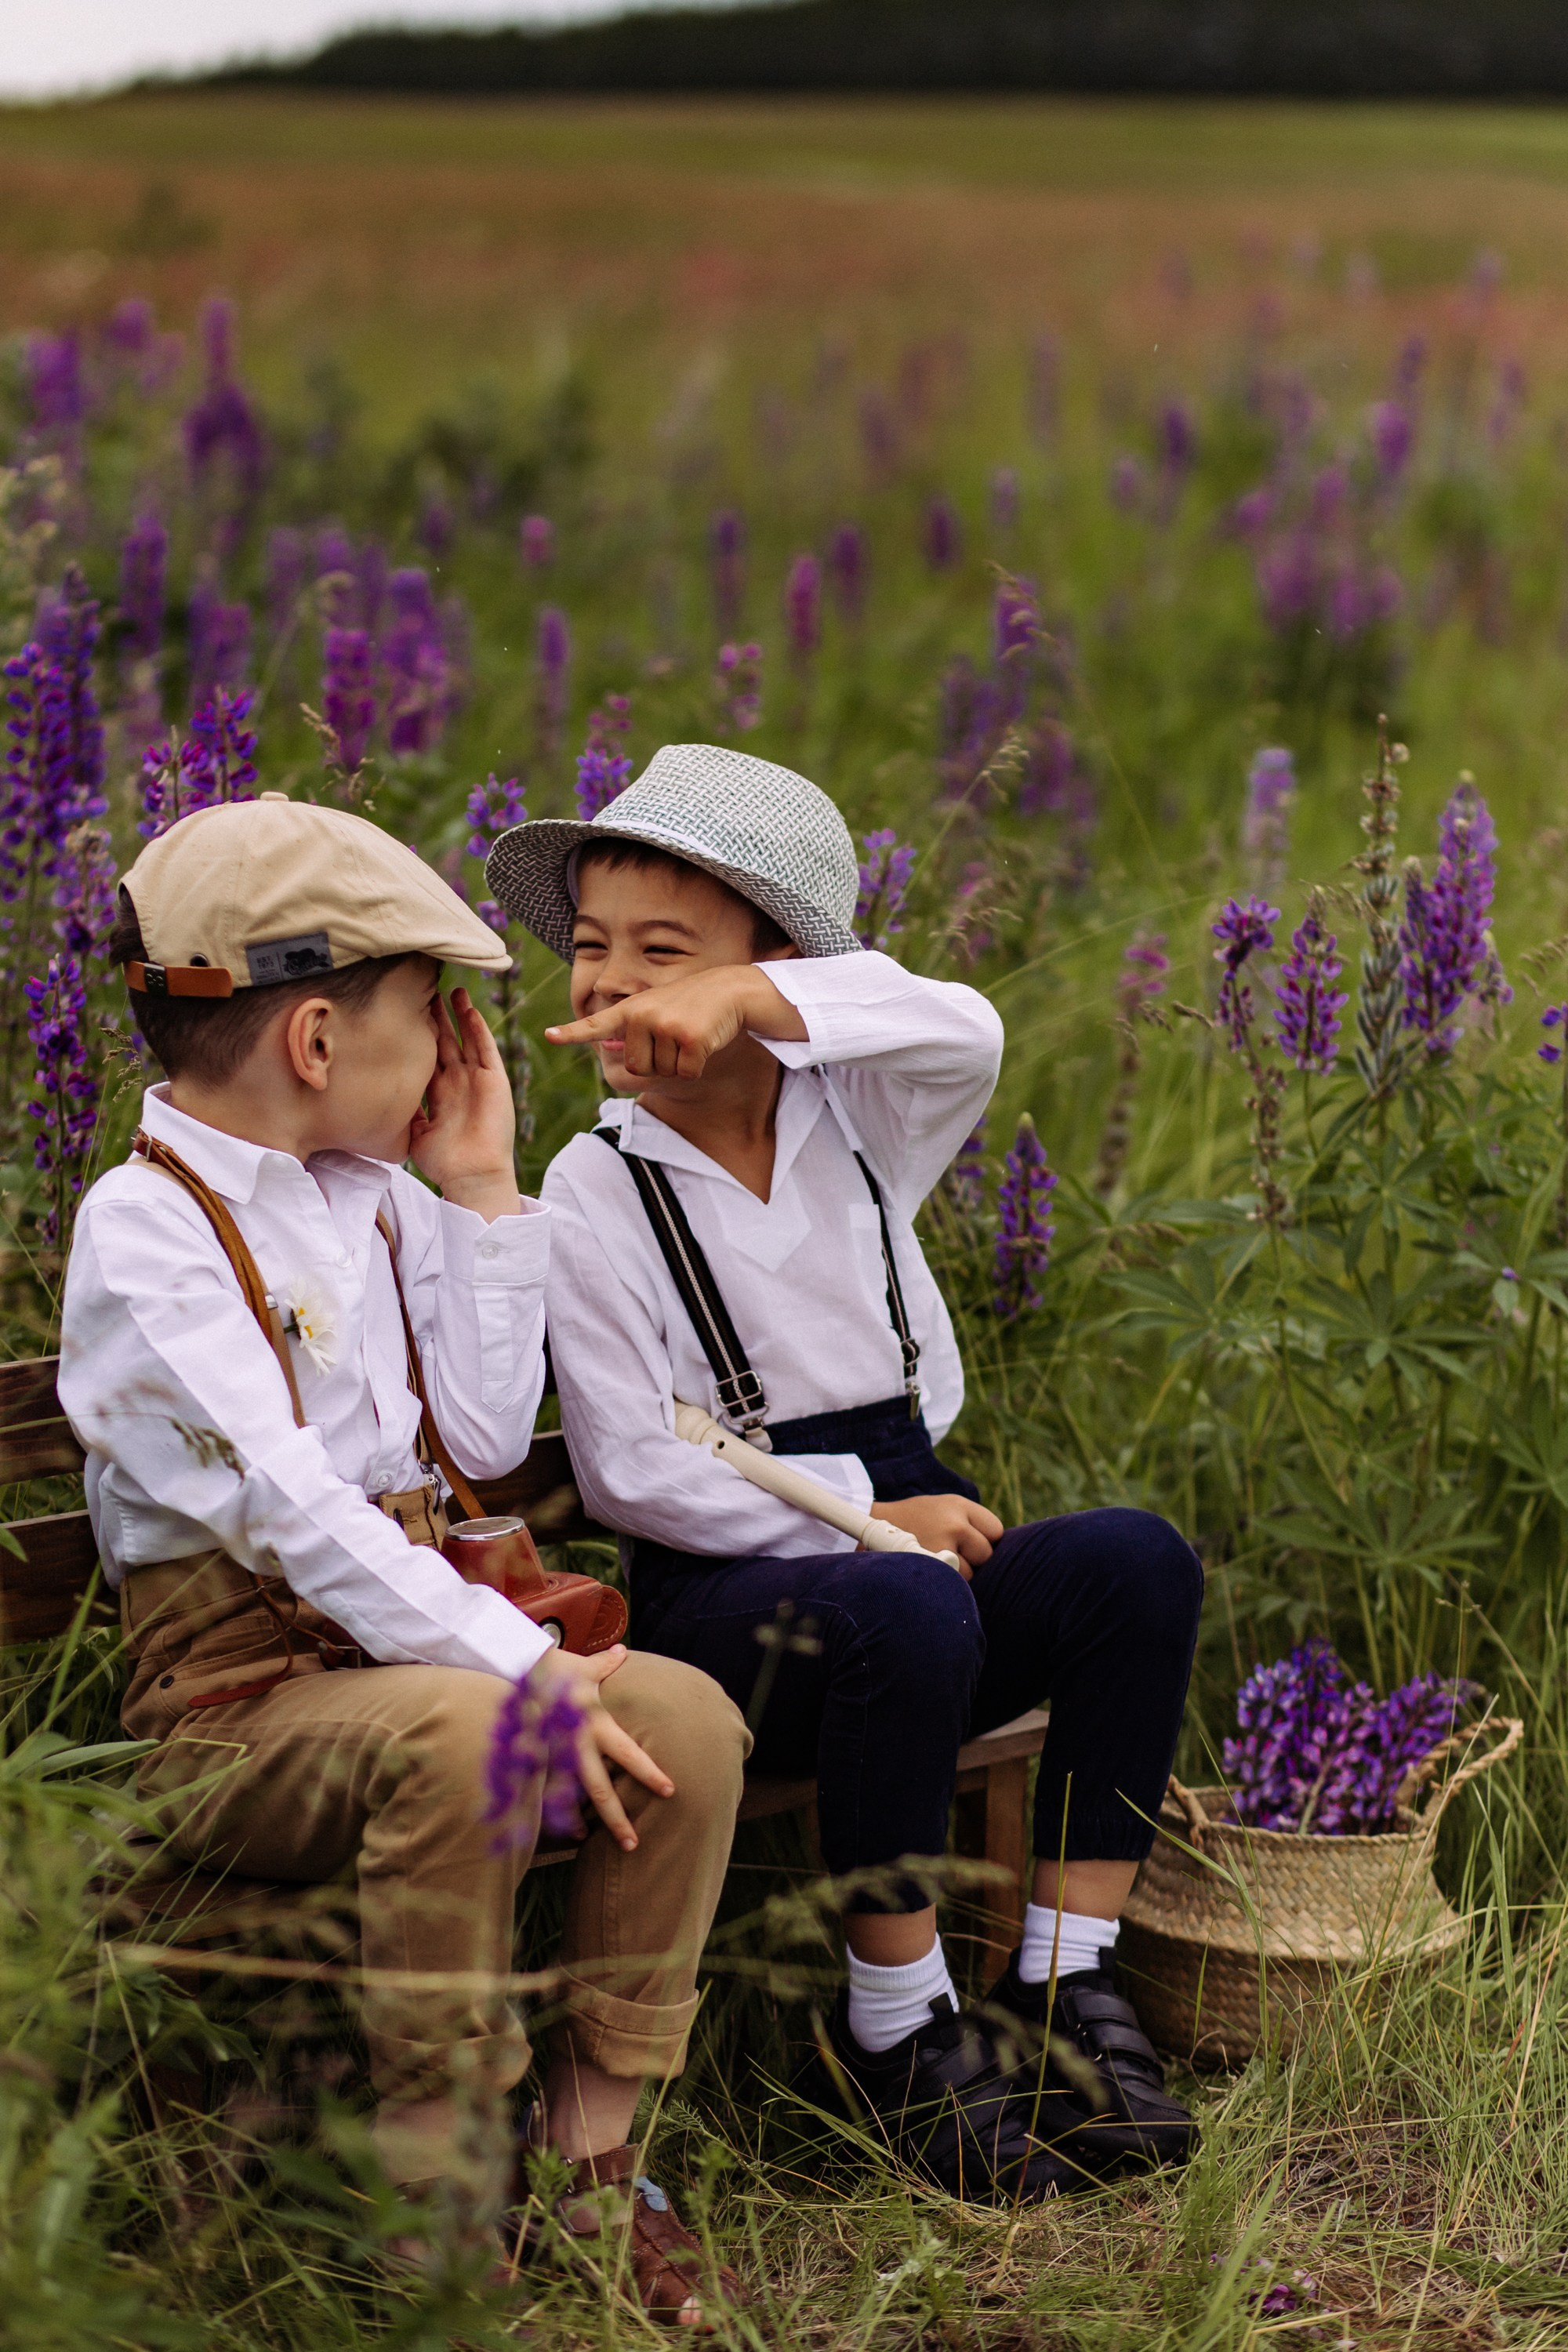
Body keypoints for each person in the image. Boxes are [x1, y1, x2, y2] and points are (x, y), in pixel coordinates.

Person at [59, 793, 749, 2321]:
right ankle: (433, 2198)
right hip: (235, 1709)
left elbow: (489, 1440)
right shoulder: (149, 1227)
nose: (452, 1052)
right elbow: (294, 1510)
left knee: (685, 1719)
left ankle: (587, 2167)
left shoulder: (367, 1202)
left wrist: (483, 1193)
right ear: (315, 1042)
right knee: (474, 1731)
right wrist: (526, 1668)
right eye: (430, 1018)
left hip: (402, 1661)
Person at [486, 744, 1204, 2202]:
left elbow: (964, 1028)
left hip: (905, 1555)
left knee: (1137, 1561)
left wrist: (743, 1003)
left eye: (663, 953)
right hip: (733, 1607)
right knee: (918, 1612)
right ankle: (895, 2030)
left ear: (781, 973)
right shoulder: (597, 1187)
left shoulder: (859, 1120)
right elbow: (627, 1474)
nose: (609, 982)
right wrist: (864, 1519)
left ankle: (1066, 1992)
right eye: (593, 950)